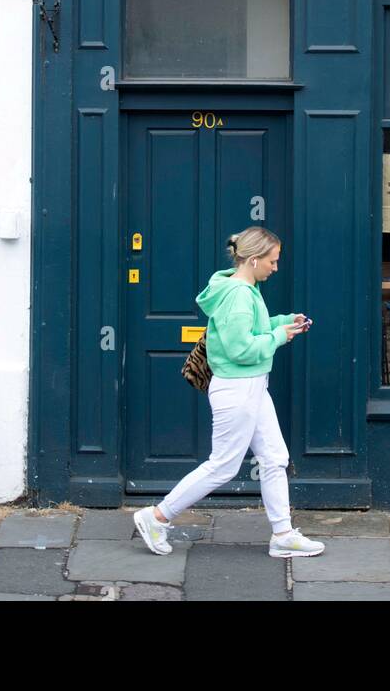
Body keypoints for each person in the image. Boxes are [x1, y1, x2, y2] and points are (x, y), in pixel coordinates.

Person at [133, 228, 325, 559]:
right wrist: (278, 336)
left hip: (252, 386)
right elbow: (240, 348)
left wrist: (283, 321)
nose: (275, 268)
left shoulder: (243, 289)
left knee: (275, 459)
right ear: (253, 260)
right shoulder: (239, 294)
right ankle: (156, 517)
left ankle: (282, 534)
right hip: (238, 389)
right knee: (222, 466)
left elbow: (251, 327)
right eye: (272, 261)